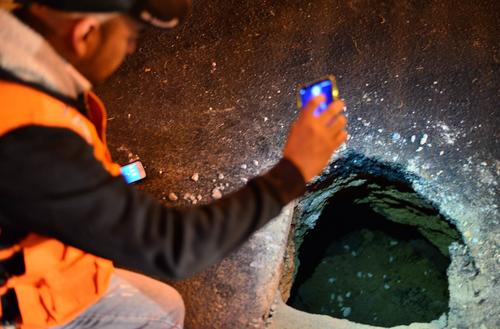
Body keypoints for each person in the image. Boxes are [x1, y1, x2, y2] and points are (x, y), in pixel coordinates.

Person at [0, 0, 348, 328]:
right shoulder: (29, 140)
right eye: (131, 36)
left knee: (162, 307)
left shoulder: (19, 68)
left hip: (49, 262)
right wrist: (294, 170)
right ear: (85, 33)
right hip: (16, 302)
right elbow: (172, 246)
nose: (131, 49)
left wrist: (88, 187)